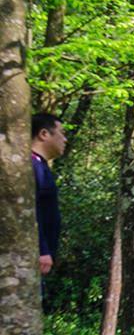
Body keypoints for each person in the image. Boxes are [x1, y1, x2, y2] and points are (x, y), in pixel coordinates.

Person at [29, 112, 65, 277]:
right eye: (61, 134)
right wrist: (41, 250)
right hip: (32, 257)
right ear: (44, 134)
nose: (65, 140)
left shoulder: (41, 166)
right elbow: (30, 210)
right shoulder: (32, 166)